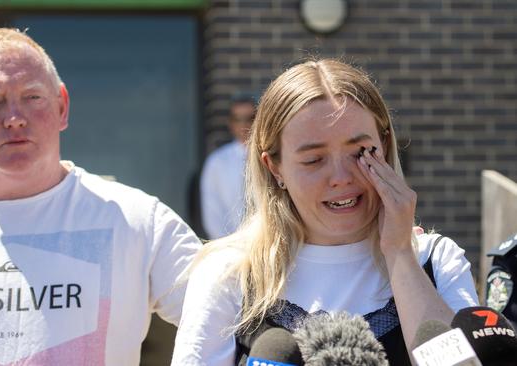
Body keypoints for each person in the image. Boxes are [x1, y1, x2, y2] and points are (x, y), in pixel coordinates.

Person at [0, 28, 201, 365]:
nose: (14, 119)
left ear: (61, 106)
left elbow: (233, 325)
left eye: (32, 97)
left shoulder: (137, 222)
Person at [171, 59, 479, 365]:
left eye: (360, 152)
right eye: (314, 160)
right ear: (274, 167)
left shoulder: (435, 261)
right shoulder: (230, 273)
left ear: (384, 146)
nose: (341, 177)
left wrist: (399, 253)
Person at [200, 96, 256, 239]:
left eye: (249, 118)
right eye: (238, 119)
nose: (244, 124)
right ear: (230, 123)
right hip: (229, 246)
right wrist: (229, 245)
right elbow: (212, 210)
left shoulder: (272, 157)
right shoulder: (217, 162)